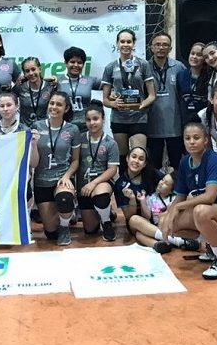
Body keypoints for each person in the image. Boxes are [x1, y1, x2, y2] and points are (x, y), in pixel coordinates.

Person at [159, 122, 217, 280]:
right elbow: (180, 196)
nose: (191, 142)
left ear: (205, 140)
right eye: (187, 138)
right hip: (210, 212)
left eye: (196, 138)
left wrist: (179, 207)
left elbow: (210, 197)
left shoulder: (213, 158)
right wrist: (170, 214)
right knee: (166, 220)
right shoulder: (185, 162)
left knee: (200, 210)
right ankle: (214, 244)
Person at [30, 91, 80, 246]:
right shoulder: (37, 126)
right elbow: (33, 162)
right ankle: (67, 215)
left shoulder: (72, 129)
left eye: (59, 104)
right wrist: (33, 144)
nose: (54, 107)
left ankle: (65, 225)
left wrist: (67, 176)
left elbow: (76, 160)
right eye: (52, 103)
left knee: (64, 199)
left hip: (61, 178)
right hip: (42, 180)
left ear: (66, 108)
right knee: (51, 233)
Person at [102, 29, 156, 171]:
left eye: (129, 41)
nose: (125, 44)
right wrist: (113, 103)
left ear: (134, 44)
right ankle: (123, 183)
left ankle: (141, 184)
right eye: (122, 41)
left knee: (139, 156)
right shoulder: (110, 67)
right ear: (117, 44)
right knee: (122, 158)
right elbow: (105, 100)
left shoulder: (143, 64)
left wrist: (141, 105)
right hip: (119, 118)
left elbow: (152, 95)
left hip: (139, 117)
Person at [127, 172, 201, 254]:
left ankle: (162, 242)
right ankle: (167, 243)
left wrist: (166, 214)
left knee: (139, 234)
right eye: (162, 180)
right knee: (134, 221)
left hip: (167, 227)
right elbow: (147, 216)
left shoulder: (175, 199)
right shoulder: (151, 198)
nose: (161, 183)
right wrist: (143, 201)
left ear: (171, 191)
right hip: (152, 227)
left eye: (166, 183)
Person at [77, 106, 119, 241]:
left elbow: (112, 170)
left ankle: (106, 222)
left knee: (100, 196)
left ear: (103, 119)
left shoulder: (110, 143)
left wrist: (94, 183)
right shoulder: (80, 139)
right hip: (84, 186)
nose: (92, 123)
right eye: (88, 119)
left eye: (95, 119)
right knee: (90, 230)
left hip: (102, 182)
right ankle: (106, 211)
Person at [146, 32, 186, 171]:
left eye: (165, 45)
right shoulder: (144, 68)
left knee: (177, 165)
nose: (161, 47)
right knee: (153, 167)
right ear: (151, 47)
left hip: (175, 127)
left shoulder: (179, 67)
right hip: (152, 126)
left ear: (170, 48)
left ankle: (178, 185)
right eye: (157, 44)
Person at [57, 47, 102, 133]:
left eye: (79, 62)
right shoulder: (57, 81)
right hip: (64, 127)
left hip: (87, 127)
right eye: (72, 62)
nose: (76, 65)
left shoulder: (90, 80)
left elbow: (110, 83)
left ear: (83, 64)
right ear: (65, 63)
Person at [114, 146, 160, 226]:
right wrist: (132, 199)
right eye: (134, 157)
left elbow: (170, 181)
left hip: (156, 214)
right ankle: (159, 233)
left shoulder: (152, 173)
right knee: (134, 220)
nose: (136, 161)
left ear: (145, 164)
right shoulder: (120, 184)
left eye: (141, 159)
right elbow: (129, 216)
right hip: (136, 221)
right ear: (127, 158)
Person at [15, 57, 54, 129]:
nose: (31, 73)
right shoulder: (20, 87)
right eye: (27, 71)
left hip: (44, 129)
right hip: (24, 130)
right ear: (24, 73)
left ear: (39, 69)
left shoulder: (50, 87)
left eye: (33, 69)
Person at [176, 42, 209, 123]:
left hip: (204, 121)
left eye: (199, 55)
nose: (194, 57)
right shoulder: (181, 75)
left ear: (204, 59)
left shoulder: (209, 76)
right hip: (185, 120)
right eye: (192, 53)